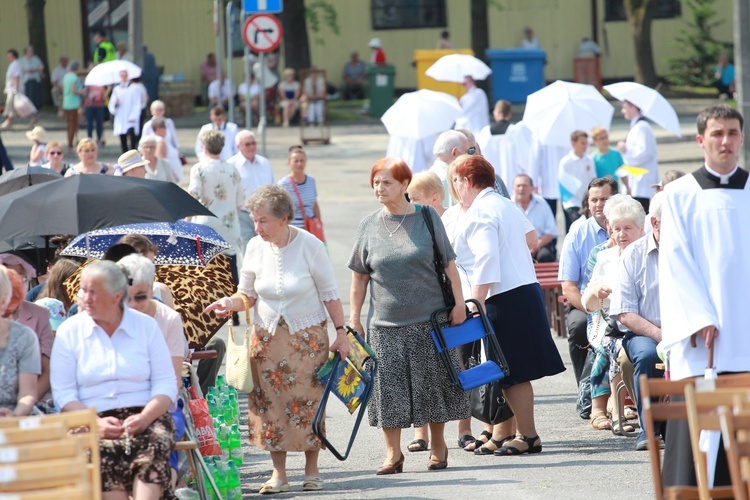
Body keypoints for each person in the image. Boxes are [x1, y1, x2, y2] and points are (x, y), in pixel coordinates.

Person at [205, 184, 349, 494]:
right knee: (270, 405)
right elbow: (247, 295)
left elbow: (330, 294)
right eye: (254, 220)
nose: (257, 228)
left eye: (264, 220)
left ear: (284, 219)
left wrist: (342, 333)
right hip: (266, 340)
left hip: (306, 342)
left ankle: (312, 470)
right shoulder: (256, 247)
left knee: (309, 404)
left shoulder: (310, 245)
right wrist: (228, 304)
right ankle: (278, 474)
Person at [349, 157, 469, 474]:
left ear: (404, 185)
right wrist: (354, 318)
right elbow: (359, 278)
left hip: (430, 321)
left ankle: (439, 446)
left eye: (386, 182)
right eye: (375, 182)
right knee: (389, 392)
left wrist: (459, 304)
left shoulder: (427, 217)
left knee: (434, 387)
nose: (379, 188)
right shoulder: (368, 225)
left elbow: (449, 266)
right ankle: (393, 454)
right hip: (384, 326)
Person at [449, 154, 564, 457]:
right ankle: (509, 433)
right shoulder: (504, 204)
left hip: (503, 295)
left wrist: (477, 301)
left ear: (467, 181)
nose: (456, 187)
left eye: (457, 181)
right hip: (522, 288)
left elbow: (486, 258)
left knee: (510, 370)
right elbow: (530, 238)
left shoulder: (480, 212)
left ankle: (528, 435)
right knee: (507, 370)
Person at [659, 105, 749, 488]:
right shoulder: (679, 195)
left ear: (742, 138)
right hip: (704, 337)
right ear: (701, 140)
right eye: (717, 133)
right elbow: (674, 261)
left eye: (732, 132)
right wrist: (698, 318)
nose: (725, 141)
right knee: (699, 430)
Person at [50, 260, 178, 499]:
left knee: (155, 442)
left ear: (117, 296)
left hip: (145, 414)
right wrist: (95, 423)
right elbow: (63, 393)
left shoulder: (146, 327)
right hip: (90, 417)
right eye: (83, 290)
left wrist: (144, 417)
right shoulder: (70, 331)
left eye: (93, 292)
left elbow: (166, 384)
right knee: (99, 452)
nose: (85, 298)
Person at [580, 195, 645, 433]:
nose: (621, 234)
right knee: (612, 344)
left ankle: (626, 409)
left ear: (641, 228)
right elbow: (587, 303)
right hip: (609, 323)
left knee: (618, 346)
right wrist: (597, 291)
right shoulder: (605, 257)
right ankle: (612, 410)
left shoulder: (648, 255)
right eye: (616, 229)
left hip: (643, 323)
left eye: (628, 228)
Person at [609, 191, 665, 450]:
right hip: (644, 331)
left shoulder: (690, 249)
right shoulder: (633, 255)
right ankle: (649, 428)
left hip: (687, 329)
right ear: (654, 223)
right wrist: (660, 335)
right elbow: (625, 313)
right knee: (648, 355)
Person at [558, 177, 618, 389]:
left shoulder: (629, 228)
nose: (599, 205)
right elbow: (568, 286)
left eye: (604, 199)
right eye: (594, 200)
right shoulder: (577, 233)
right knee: (578, 325)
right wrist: (593, 311)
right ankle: (586, 390)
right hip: (587, 303)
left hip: (624, 303)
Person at [189, 130, 244, 258]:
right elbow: (240, 202)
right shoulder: (233, 169)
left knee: (207, 271)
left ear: (204, 148)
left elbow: (193, 196)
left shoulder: (199, 169)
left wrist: (187, 222)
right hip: (230, 225)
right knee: (231, 269)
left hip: (206, 225)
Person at [0, 267, 40, 417]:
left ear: (4, 301)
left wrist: (14, 416)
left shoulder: (24, 337)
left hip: (16, 418)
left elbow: (27, 394)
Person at [227, 129, 274, 248]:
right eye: (247, 144)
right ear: (238, 147)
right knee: (248, 248)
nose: (252, 147)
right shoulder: (231, 165)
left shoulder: (265, 163)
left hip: (266, 213)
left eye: (253, 143)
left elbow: (274, 187)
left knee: (267, 247)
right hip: (243, 214)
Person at [616, 100, 658, 212]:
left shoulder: (642, 127)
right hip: (636, 182)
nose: (622, 110)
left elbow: (644, 153)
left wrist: (625, 152)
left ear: (634, 107)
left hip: (642, 182)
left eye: (625, 107)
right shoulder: (637, 126)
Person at [513, 173, 558, 262]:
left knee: (545, 256)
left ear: (532, 188)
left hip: (540, 245)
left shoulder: (542, 203)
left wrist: (537, 245)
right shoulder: (507, 205)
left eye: (524, 186)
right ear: (513, 188)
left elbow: (551, 231)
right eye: (518, 186)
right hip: (515, 247)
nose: (521, 189)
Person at [278, 145, 322, 231]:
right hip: (293, 229)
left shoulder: (311, 180)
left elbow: (314, 205)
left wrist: (319, 224)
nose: (299, 164)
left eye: (302, 160)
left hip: (311, 229)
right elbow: (280, 211)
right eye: (296, 161)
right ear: (289, 162)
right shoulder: (283, 184)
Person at [559, 130, 596, 231]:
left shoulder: (589, 160)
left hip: (586, 202)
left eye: (586, 143)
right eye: (582, 143)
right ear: (573, 143)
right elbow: (563, 184)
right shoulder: (565, 162)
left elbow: (593, 179)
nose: (585, 146)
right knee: (574, 228)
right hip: (572, 202)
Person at [429, 130, 471, 209]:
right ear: (454, 153)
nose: (470, 156)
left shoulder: (430, 174)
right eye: (468, 151)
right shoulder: (450, 178)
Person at [109, 69, 142, 153]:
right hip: (121, 116)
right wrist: (115, 104)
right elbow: (111, 104)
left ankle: (133, 153)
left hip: (130, 116)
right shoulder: (116, 89)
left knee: (132, 135)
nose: (123, 77)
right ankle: (124, 154)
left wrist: (133, 116)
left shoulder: (134, 88)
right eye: (121, 75)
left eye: (125, 75)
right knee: (122, 137)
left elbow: (137, 103)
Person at [2, 48, 37, 129]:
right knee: (14, 106)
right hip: (11, 88)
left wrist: (16, 89)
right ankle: (10, 121)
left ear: (14, 56)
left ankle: (9, 121)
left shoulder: (15, 64)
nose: (8, 58)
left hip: (14, 89)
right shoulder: (12, 64)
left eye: (9, 56)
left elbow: (17, 76)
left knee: (13, 105)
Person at [589, 126, 628, 192]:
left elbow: (623, 172)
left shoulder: (616, 154)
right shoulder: (592, 158)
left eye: (606, 137)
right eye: (601, 138)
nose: (605, 140)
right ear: (595, 141)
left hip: (615, 191)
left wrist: (628, 187)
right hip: (601, 192)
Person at [149, 116, 182, 182]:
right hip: (168, 176)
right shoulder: (160, 141)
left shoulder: (156, 139)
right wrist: (173, 174)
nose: (166, 130)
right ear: (159, 129)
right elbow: (161, 160)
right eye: (164, 128)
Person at [62, 61, 83, 152]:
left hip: (66, 102)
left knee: (69, 124)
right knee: (73, 124)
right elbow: (73, 91)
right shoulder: (74, 77)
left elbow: (64, 90)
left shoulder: (66, 76)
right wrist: (82, 92)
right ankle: (70, 144)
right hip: (73, 103)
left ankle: (71, 142)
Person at [83, 73, 107, 148]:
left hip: (99, 104)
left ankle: (99, 138)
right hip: (89, 105)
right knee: (89, 122)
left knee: (99, 122)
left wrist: (109, 89)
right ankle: (89, 138)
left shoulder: (101, 84)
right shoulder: (88, 82)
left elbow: (104, 96)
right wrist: (87, 97)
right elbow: (83, 92)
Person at [20, 45, 44, 109]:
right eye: (30, 51)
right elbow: (20, 70)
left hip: (35, 78)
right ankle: (29, 108)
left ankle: (37, 107)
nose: (31, 52)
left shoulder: (36, 58)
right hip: (27, 79)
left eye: (32, 51)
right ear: (26, 52)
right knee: (29, 94)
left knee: (36, 94)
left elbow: (41, 67)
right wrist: (28, 70)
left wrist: (35, 70)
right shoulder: (22, 60)